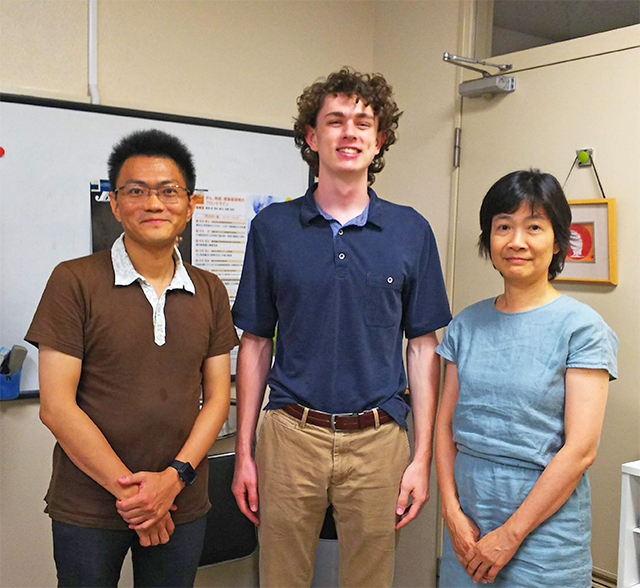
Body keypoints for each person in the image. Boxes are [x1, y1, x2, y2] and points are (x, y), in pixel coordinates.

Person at [231, 67, 452, 587]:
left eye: (362, 122)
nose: (349, 132)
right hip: (289, 435)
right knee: (280, 578)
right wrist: (245, 453)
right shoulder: (273, 229)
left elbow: (423, 349)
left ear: (379, 141)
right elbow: (255, 343)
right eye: (334, 121)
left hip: (379, 440)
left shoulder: (410, 230)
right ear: (312, 138)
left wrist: (420, 458)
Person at [25, 129, 239, 588]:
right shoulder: (74, 281)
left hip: (180, 500)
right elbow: (56, 407)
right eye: (136, 191)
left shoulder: (210, 290)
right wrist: (138, 498)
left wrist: (172, 481)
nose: (153, 203)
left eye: (168, 191)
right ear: (116, 204)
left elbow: (218, 398)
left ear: (190, 204)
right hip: (88, 504)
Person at [435, 170, 618, 587]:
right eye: (503, 227)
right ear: (489, 240)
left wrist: (511, 535)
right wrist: (450, 511)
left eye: (534, 227)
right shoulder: (466, 324)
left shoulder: (581, 328)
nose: (516, 241)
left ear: (557, 241)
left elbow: (581, 450)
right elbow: (444, 427)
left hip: (543, 535)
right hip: (468, 525)